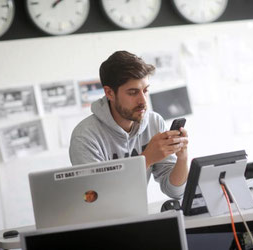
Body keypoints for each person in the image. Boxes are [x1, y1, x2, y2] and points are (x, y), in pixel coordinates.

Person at [69, 51, 188, 199]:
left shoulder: (154, 122)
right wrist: (146, 159)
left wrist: (182, 157)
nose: (143, 101)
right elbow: (96, 197)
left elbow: (175, 192)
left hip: (139, 214)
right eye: (133, 92)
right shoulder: (85, 136)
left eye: (145, 90)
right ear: (109, 93)